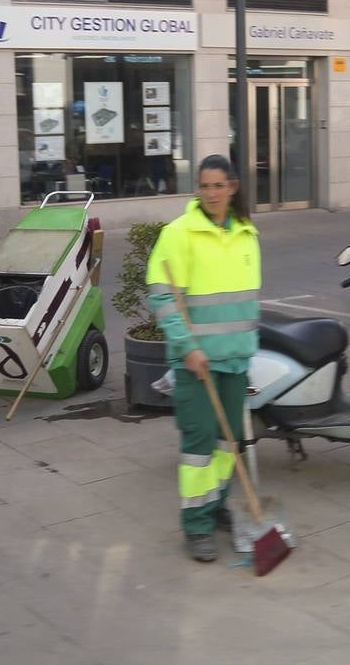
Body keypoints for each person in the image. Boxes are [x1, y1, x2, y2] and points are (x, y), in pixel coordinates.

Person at [147, 154, 260, 563]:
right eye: (204, 185)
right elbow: (162, 297)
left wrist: (247, 348)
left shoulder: (247, 233)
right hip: (196, 362)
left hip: (235, 360)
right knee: (198, 446)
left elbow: (246, 300)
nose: (211, 193)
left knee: (228, 444)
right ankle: (196, 524)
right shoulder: (179, 234)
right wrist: (187, 346)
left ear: (233, 187)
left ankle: (216, 506)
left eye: (218, 185)